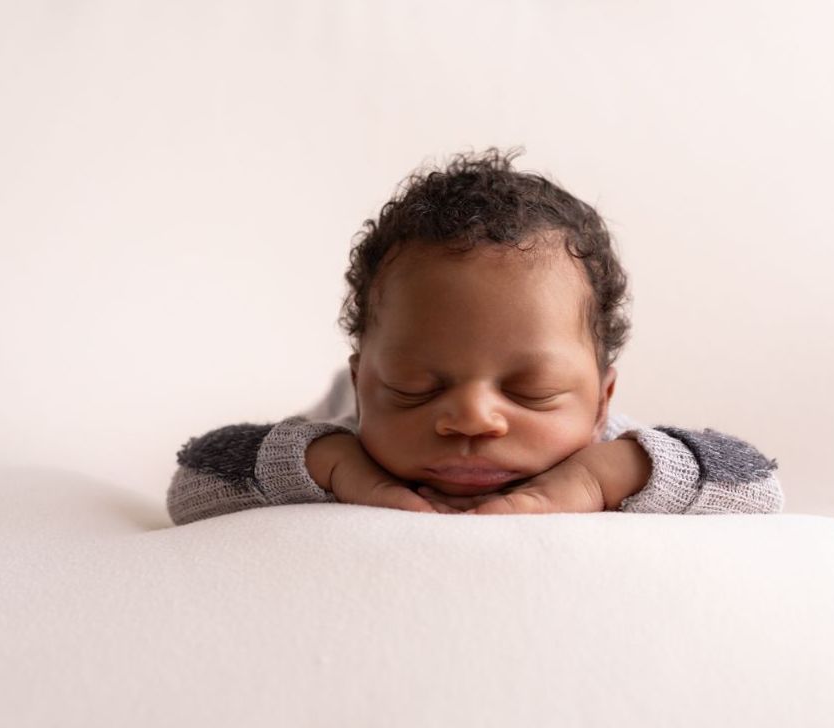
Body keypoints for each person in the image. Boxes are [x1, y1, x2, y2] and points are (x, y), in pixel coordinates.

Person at [167, 148, 782, 525]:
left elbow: (758, 486)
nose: (470, 419)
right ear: (364, 384)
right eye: (413, 387)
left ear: (601, 399)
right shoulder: (346, 442)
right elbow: (194, 480)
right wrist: (332, 465)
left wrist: (601, 478)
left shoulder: (612, 451)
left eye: (533, 390)